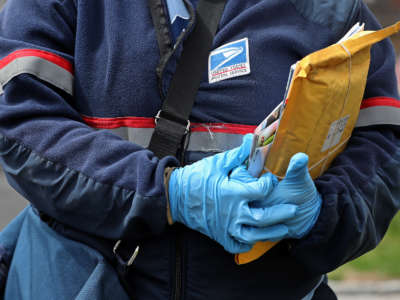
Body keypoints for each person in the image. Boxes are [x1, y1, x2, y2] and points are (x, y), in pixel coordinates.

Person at [0, 0, 399, 299]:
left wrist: (319, 213)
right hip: (86, 283)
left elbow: (383, 150)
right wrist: (168, 192)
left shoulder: (331, 11)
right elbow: (24, 124)